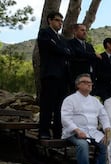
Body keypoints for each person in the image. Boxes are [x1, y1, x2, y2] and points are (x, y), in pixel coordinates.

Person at [61, 73, 111, 164]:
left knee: (107, 145)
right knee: (83, 145)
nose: (89, 85)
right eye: (85, 82)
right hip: (73, 132)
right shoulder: (70, 100)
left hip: (92, 132)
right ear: (78, 85)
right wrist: (77, 130)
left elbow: (103, 116)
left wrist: (107, 129)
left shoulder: (95, 101)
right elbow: (65, 118)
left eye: (90, 83)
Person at [37, 11, 71, 139]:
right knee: (47, 105)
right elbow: (53, 48)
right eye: (57, 20)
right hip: (50, 74)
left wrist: (62, 49)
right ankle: (44, 132)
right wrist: (63, 50)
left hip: (63, 76)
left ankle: (58, 132)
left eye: (61, 21)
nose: (60, 23)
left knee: (60, 106)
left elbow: (68, 52)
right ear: (50, 20)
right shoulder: (45, 33)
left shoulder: (61, 38)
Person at [68, 23, 101, 92]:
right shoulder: (70, 43)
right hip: (77, 78)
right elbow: (78, 54)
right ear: (75, 31)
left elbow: (94, 60)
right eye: (82, 30)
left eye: (85, 30)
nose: (85, 32)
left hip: (90, 78)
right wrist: (93, 55)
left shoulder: (89, 46)